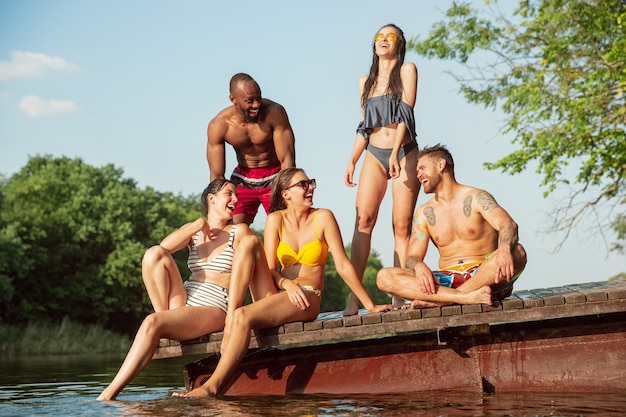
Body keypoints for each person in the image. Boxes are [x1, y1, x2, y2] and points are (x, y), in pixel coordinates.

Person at [179, 168, 392, 397]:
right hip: (278, 293)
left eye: (310, 182)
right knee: (249, 244)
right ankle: (226, 342)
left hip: (307, 296)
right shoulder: (275, 220)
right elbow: (269, 269)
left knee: (242, 316)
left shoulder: (323, 217)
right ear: (285, 194)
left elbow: (342, 265)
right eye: (302, 184)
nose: (309, 188)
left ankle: (212, 386)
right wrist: (286, 284)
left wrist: (369, 305)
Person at [97, 179, 274, 401]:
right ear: (212, 198)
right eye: (230, 194)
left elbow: (257, 265)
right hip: (185, 299)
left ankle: (108, 394)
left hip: (214, 305)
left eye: (236, 195)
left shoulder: (239, 232)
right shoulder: (195, 232)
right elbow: (164, 248)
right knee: (153, 254)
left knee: (152, 322)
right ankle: (163, 320)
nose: (236, 200)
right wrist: (197, 225)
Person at [376, 144, 527, 308]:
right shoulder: (424, 213)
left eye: (422, 168)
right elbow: (412, 256)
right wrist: (418, 266)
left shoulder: (477, 197)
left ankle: (442, 301)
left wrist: (504, 248)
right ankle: (462, 297)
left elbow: (508, 224)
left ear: (441, 165)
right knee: (384, 277)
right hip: (447, 280)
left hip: (485, 278)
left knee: (518, 252)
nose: (418, 175)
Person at [343, 24, 420, 315]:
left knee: (401, 225)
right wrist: (352, 158)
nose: (383, 40)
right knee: (363, 219)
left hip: (404, 150)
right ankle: (355, 298)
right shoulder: (366, 82)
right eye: (379, 37)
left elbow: (406, 112)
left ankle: (399, 294)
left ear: (399, 43)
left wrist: (396, 152)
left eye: (390, 37)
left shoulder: (407, 70)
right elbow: (365, 127)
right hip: (374, 153)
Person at [207, 72, 296, 225]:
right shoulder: (219, 125)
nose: (256, 105)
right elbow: (217, 174)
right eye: (249, 101)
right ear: (233, 99)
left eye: (258, 98)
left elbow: (287, 159)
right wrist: (219, 208)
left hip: (275, 174)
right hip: (243, 179)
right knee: (230, 231)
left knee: (284, 226)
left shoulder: (274, 112)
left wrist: (285, 191)